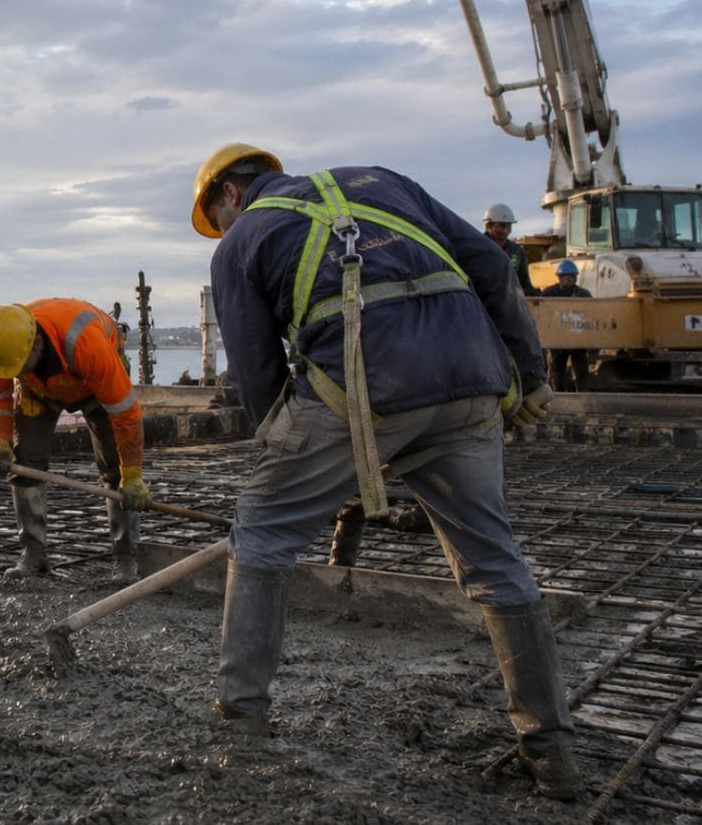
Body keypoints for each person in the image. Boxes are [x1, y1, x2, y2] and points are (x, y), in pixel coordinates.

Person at [192, 143, 581, 800]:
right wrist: (530, 372)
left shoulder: (242, 242)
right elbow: (488, 264)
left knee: (260, 535)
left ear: (231, 194)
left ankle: (240, 725)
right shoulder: (382, 181)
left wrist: (289, 458)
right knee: (494, 562)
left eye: (217, 220)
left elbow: (257, 374)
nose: (223, 232)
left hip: (361, 384)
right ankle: (553, 754)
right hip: (473, 376)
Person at [0, 299, 154, 583]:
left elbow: (126, 413)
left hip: (93, 387)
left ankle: (126, 557)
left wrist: (132, 474)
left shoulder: (87, 344)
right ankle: (33, 554)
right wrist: (1, 443)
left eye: (18, 367)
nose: (14, 374)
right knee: (24, 464)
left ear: (36, 344)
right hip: (40, 390)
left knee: (115, 469)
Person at [539, 259, 593, 391]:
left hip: (578, 340)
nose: (568, 279)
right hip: (557, 340)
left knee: (581, 372)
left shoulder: (583, 294)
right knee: (557, 371)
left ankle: (582, 399)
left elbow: (591, 315)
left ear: (576, 277)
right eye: (565, 277)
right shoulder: (549, 293)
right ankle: (557, 397)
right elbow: (542, 314)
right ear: (559, 277)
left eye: (571, 276)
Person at [483, 203, 537, 297]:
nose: (505, 230)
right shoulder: (477, 248)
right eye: (501, 225)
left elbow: (524, 282)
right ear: (489, 226)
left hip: (510, 301)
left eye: (508, 226)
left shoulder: (516, 251)